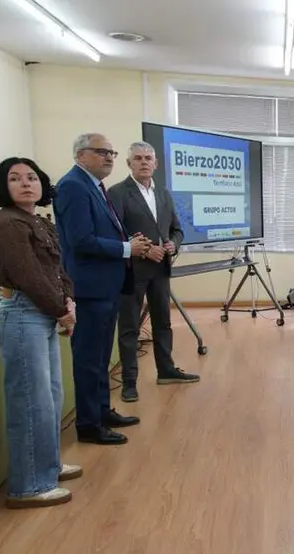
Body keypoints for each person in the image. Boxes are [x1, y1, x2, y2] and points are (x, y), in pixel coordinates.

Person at [0, 157, 82, 508]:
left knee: (50, 399)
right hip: (23, 314)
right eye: (15, 178)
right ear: (2, 186)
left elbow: (57, 269)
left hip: (41, 313)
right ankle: (27, 486)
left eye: (31, 177)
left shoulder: (35, 220)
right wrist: (61, 310)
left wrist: (67, 300)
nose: (26, 183)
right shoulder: (7, 223)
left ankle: (48, 469)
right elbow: (29, 277)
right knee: (29, 402)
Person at [55, 132, 148, 446]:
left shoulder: (93, 185)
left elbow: (100, 231)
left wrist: (127, 240)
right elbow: (81, 242)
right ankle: (88, 425)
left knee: (101, 358)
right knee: (88, 360)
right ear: (80, 155)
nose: (109, 157)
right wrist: (126, 248)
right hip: (89, 289)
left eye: (111, 152)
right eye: (101, 152)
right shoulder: (72, 187)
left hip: (105, 287)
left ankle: (101, 411)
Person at [106, 141, 198, 405]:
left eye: (148, 158)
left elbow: (177, 230)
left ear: (156, 163)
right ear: (129, 164)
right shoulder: (117, 193)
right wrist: (145, 250)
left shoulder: (164, 194)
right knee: (129, 327)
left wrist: (173, 244)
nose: (144, 162)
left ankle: (166, 371)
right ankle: (129, 382)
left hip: (161, 269)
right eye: (138, 158)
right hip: (132, 271)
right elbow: (117, 233)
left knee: (163, 323)